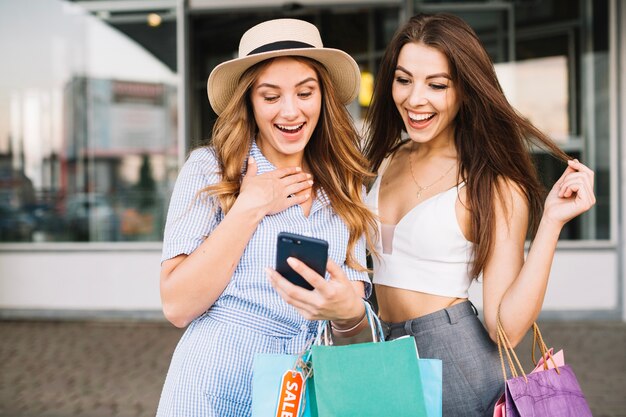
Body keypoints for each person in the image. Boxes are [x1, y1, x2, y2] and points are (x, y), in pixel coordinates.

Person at [269, 12, 596, 417]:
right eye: (403, 80)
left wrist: (551, 224)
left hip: (454, 357)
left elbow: (505, 329)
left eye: (436, 85)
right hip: (379, 346)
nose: (414, 99)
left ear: (466, 90)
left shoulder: (492, 183)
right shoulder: (385, 159)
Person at [155, 18, 377, 417]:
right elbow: (177, 305)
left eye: (305, 92)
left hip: (302, 394)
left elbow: (355, 327)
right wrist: (249, 206)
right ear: (250, 103)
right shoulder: (210, 171)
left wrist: (349, 311)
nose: (290, 111)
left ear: (323, 97)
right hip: (213, 389)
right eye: (270, 96)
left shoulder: (347, 185)